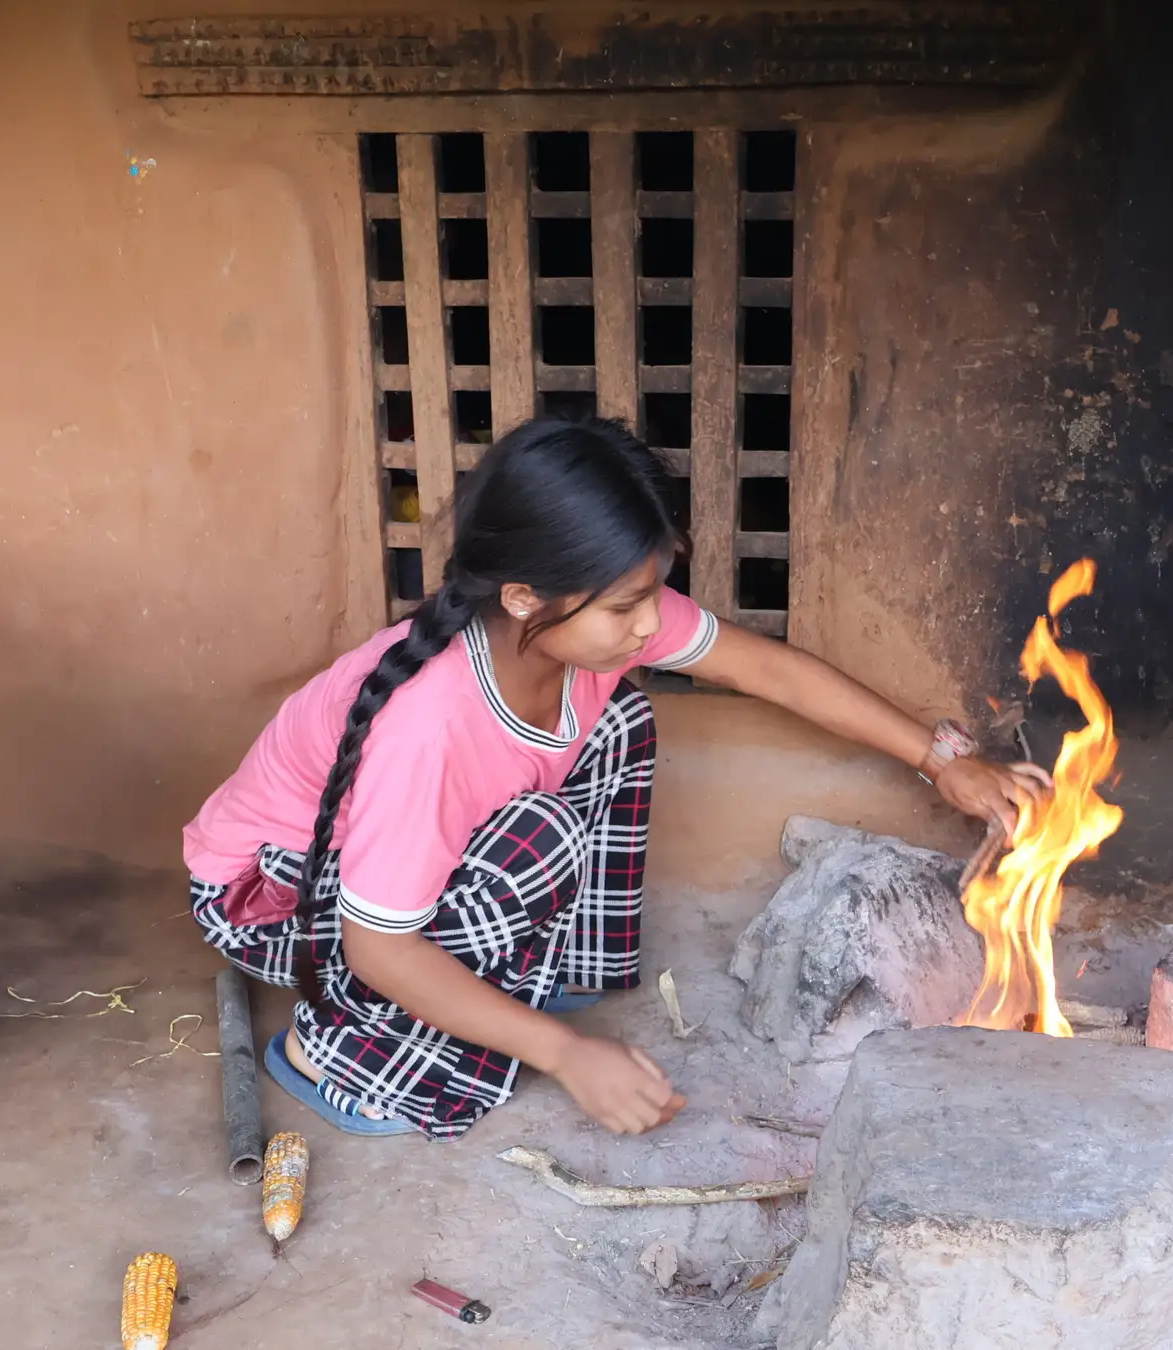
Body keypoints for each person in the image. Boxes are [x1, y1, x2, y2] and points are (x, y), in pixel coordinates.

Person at [183, 418, 1046, 1140]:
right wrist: (565, 1057)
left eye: (653, 594)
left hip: (372, 871)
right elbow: (377, 944)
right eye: (627, 605)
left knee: (620, 717)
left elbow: (767, 671)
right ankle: (336, 1057)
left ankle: (545, 976)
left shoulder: (573, 629)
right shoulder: (432, 725)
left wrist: (944, 763)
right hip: (274, 898)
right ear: (524, 596)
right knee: (540, 843)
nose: (648, 625)